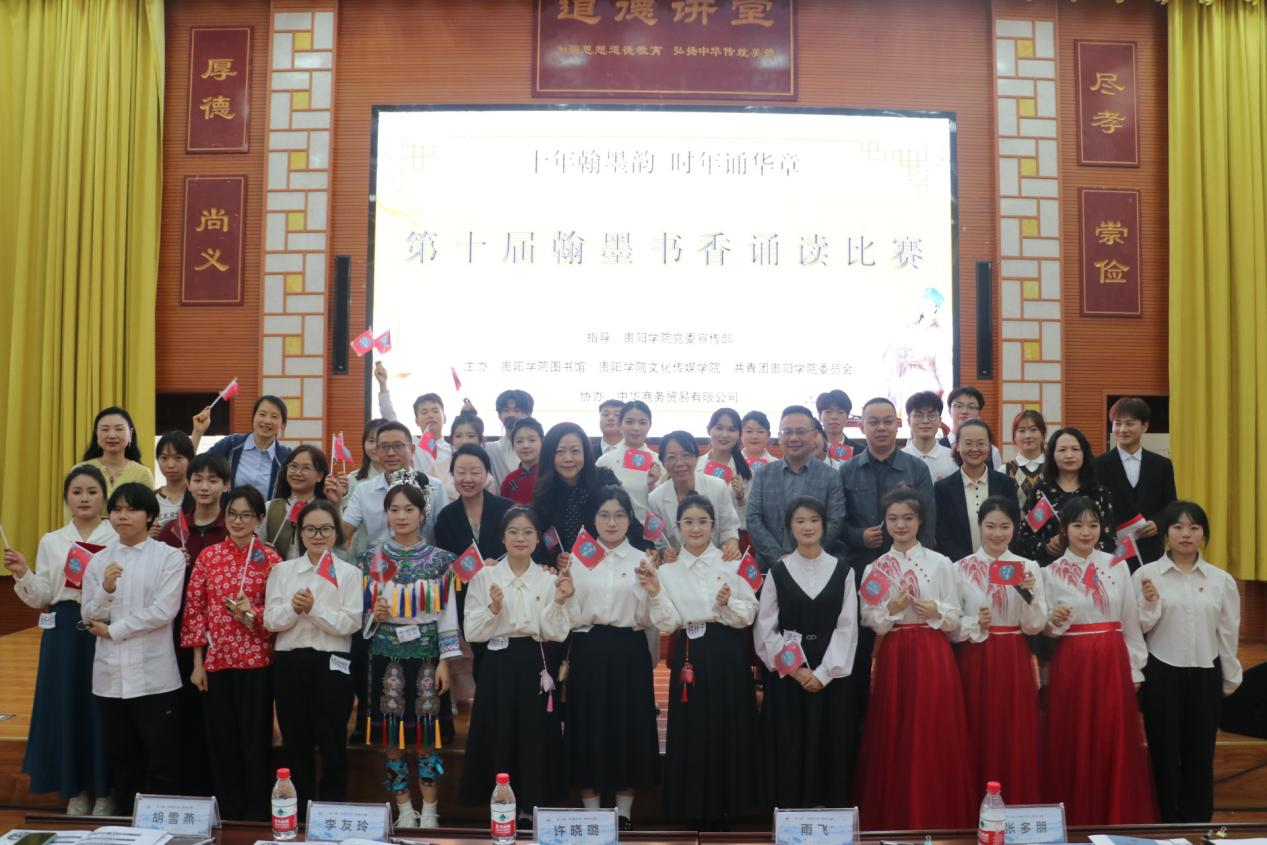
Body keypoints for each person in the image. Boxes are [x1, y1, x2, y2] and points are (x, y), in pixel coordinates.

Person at [857, 486, 974, 829]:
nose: (900, 525)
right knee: (895, 730)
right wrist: (892, 611)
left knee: (933, 730)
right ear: (885, 522)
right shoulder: (876, 568)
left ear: (920, 521)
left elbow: (956, 615)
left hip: (934, 653)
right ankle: (896, 818)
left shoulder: (941, 564)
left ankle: (938, 816)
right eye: (893, 518)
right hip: (895, 654)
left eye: (907, 518)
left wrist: (937, 610)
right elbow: (869, 618)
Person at [561, 485, 677, 830]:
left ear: (630, 519)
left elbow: (653, 618)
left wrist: (651, 589)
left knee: (630, 727)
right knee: (588, 726)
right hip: (588, 649)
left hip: (630, 650)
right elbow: (570, 611)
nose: (611, 523)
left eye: (619, 515)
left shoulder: (643, 560)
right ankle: (592, 812)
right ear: (593, 519)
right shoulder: (578, 558)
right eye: (604, 515)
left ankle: (624, 813)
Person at [5, 466, 117, 815]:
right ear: (67, 498)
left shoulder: (117, 536)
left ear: (104, 497)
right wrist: (23, 572)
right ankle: (77, 790)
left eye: (92, 492)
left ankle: (106, 791)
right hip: (64, 631)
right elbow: (42, 596)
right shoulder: (52, 540)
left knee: (101, 710)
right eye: (76, 492)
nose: (84, 498)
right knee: (67, 707)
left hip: (104, 628)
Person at [1041, 496, 1155, 824]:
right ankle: (1075, 819)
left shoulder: (1116, 562)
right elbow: (1045, 628)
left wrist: (1135, 668)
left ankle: (1114, 816)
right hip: (1071, 663)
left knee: (1112, 739)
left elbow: (1130, 619)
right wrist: (1054, 620)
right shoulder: (1050, 572)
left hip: (1112, 661)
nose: (1086, 532)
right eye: (1077, 525)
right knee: (1073, 738)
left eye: (1093, 525)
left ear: (1102, 528)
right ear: (1064, 529)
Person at [458, 507, 574, 821]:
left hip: (535, 662)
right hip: (497, 664)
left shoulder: (549, 579)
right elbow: (472, 632)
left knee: (534, 734)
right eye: (513, 531)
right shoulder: (484, 576)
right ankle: (501, 807)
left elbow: (556, 632)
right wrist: (494, 609)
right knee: (499, 732)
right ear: (502, 537)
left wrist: (559, 601)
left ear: (537, 539)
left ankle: (530, 807)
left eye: (527, 532)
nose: (520, 538)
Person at [358, 477, 461, 829]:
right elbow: (359, 616)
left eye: (409, 509)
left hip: (428, 656)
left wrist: (446, 661)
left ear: (422, 514)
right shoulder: (370, 559)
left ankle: (430, 810)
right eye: (394, 509)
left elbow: (448, 615)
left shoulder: (441, 561)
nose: (401, 516)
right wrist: (374, 615)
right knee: (392, 739)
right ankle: (403, 810)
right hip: (385, 655)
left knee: (426, 739)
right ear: (386, 514)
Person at [1134, 501, 1241, 823]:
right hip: (1161, 673)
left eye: (1194, 528)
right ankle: (1165, 820)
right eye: (1178, 527)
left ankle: (1197, 822)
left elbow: (1228, 632)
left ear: (1203, 534)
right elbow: (1137, 628)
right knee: (1164, 752)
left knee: (1200, 752)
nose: (1186, 534)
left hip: (1205, 674)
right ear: (1166, 533)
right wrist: (1150, 603)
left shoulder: (1221, 580)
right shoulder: (1146, 575)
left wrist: (1230, 677)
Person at [80, 483, 184, 809]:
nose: (122, 516)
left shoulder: (168, 557)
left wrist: (113, 631)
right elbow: (88, 615)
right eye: (116, 509)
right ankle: (126, 823)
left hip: (155, 677)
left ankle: (162, 823)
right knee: (122, 760)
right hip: (110, 679)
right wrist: (106, 589)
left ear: (150, 515)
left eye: (132, 509)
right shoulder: (99, 561)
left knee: (163, 760)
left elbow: (163, 612)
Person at [658, 495, 760, 826]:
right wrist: (654, 592)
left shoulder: (734, 564)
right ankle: (691, 807)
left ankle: (733, 805)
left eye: (703, 521)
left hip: (728, 649)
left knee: (731, 724)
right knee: (692, 729)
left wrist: (727, 605)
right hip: (689, 651)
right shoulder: (667, 571)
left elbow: (749, 612)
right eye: (688, 522)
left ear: (714, 526)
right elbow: (667, 621)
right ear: (677, 527)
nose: (696, 528)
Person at [180, 486, 280, 821]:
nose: (238, 521)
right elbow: (195, 611)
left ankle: (256, 813)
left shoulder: (271, 560)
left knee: (255, 740)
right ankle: (228, 811)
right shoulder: (209, 557)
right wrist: (197, 664)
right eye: (233, 514)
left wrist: (252, 614)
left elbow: (278, 615)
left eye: (246, 515)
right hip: (217, 662)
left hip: (258, 663)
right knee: (222, 740)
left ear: (259, 519)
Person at [754, 496, 858, 809]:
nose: (807, 526)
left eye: (814, 519)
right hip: (788, 674)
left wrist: (824, 673)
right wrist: (796, 671)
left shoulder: (843, 570)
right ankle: (789, 812)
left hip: (832, 673)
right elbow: (766, 628)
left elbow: (847, 627)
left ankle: (828, 812)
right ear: (789, 527)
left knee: (830, 740)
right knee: (789, 742)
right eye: (800, 521)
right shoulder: (778, 571)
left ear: (824, 524)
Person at [840, 397, 935, 721]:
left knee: (913, 653)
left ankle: (911, 720)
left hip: (911, 575)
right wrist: (859, 537)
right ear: (861, 426)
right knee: (860, 650)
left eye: (887, 421)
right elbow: (837, 524)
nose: (881, 428)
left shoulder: (916, 468)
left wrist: (918, 566)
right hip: (863, 573)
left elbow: (928, 523)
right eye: (873, 422)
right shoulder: (847, 470)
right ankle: (862, 723)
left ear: (898, 425)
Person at [265, 500, 362, 809]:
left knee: (333, 744)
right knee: (296, 744)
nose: (318, 535)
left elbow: (350, 623)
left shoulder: (349, 573)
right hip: (290, 665)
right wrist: (294, 609)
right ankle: (300, 814)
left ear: (336, 532)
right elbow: (270, 621)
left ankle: (331, 812)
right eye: (310, 529)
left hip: (332, 667)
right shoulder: (282, 571)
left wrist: (313, 609)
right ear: (300, 532)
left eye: (325, 529)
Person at [951, 496, 1046, 805]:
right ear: (979, 526)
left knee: (1014, 731)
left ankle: (1015, 804)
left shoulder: (1028, 567)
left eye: (1005, 526)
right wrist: (974, 623)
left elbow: (1035, 626)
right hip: (975, 656)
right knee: (976, 727)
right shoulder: (960, 568)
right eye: (990, 526)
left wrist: (1030, 595)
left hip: (1014, 656)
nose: (997, 534)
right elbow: (951, 626)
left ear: (1014, 528)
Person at [154, 452, 231, 798]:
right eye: (198, 479)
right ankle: (188, 792)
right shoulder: (172, 531)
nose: (204, 486)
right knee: (183, 712)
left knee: (218, 717)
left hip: (224, 639)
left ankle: (219, 790)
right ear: (188, 483)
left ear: (225, 486)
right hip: (177, 634)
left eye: (213, 480)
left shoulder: (232, 527)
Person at [746, 405, 845, 572]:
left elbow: (835, 522)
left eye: (801, 432)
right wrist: (777, 557)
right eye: (787, 432)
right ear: (779, 437)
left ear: (814, 435)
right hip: (771, 567)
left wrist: (807, 556)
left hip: (817, 567)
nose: (793, 438)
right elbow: (753, 519)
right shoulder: (763, 474)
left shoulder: (831, 476)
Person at [532, 423, 648, 564]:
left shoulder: (604, 480)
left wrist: (647, 549)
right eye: (560, 452)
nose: (568, 458)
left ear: (585, 453)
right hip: (567, 570)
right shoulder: (544, 491)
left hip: (611, 563)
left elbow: (628, 521)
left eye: (575, 451)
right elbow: (544, 539)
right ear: (549, 455)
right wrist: (555, 559)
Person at [1094, 397, 1178, 569]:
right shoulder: (1098, 465)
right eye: (1117, 424)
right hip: (1112, 550)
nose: (1122, 429)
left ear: (1144, 426)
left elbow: (1171, 505)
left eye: (1129, 423)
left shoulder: (1161, 465)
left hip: (1150, 549)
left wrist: (1158, 523)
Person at [1015, 427, 1116, 565]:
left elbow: (1110, 541)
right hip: (1051, 568)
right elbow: (1026, 536)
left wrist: (1085, 546)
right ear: (1052, 455)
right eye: (1062, 450)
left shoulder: (1099, 493)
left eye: (1075, 449)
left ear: (1084, 453)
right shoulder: (1042, 492)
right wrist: (1047, 546)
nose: (1069, 455)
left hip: (1091, 569)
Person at [342, 423, 447, 549]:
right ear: (377, 451)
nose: (391, 453)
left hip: (425, 560)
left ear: (412, 449)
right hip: (379, 560)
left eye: (398, 446)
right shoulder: (363, 491)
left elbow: (445, 533)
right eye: (384, 447)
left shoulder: (434, 487)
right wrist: (336, 502)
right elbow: (344, 533)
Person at [934, 419, 1019, 563]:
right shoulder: (943, 488)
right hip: (959, 567)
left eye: (981, 443)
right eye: (968, 443)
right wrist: (967, 564)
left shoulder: (1006, 484)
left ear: (989, 446)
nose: (975, 449)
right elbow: (942, 534)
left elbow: (1014, 526)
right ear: (957, 446)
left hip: (1000, 565)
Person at [648, 431, 741, 559]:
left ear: (696, 458)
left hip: (717, 560)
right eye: (671, 457)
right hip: (679, 564)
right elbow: (660, 542)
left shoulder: (718, 487)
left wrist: (731, 545)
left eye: (686, 455)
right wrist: (665, 553)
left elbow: (729, 527)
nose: (679, 463)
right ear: (663, 462)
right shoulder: (655, 498)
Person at [191, 394, 292, 499]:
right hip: (227, 510)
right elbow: (196, 468)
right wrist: (197, 432)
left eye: (274, 416)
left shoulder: (287, 458)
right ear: (253, 417)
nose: (267, 421)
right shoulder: (231, 444)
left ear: (283, 424)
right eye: (262, 414)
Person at [264, 445, 340, 560]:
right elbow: (255, 550)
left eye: (306, 468)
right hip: (277, 570)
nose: (297, 473)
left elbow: (341, 550)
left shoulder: (328, 509)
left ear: (320, 476)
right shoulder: (269, 507)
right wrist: (266, 552)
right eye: (293, 466)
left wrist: (337, 505)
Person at [595, 401, 665, 523]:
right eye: (629, 422)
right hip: (613, 528)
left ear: (650, 425)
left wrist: (652, 486)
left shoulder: (659, 462)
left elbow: (664, 506)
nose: (636, 428)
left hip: (648, 531)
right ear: (619, 424)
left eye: (642, 422)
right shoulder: (604, 461)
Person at [699, 408, 754, 542]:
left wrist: (740, 498)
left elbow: (746, 521)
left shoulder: (746, 473)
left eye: (731, 430)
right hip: (696, 537)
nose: (724, 434)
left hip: (731, 542)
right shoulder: (695, 466)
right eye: (719, 428)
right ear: (709, 430)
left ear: (739, 434)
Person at [78, 406, 153, 495]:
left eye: (119, 429)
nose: (112, 435)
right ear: (96, 434)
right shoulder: (80, 471)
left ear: (130, 433)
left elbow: (148, 504)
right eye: (105, 429)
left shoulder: (142, 474)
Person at [939, 386, 1003, 469]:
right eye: (959, 406)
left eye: (971, 407)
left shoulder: (992, 452)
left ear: (979, 413)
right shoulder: (938, 447)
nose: (964, 411)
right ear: (949, 411)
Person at [901, 391, 957, 482]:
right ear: (908, 421)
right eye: (918, 415)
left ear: (940, 421)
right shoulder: (897, 459)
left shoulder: (953, 458)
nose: (925, 421)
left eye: (931, 415)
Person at [487, 389, 534, 485]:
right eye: (506, 410)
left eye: (517, 410)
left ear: (529, 414)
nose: (511, 414)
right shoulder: (491, 449)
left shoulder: (540, 448)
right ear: (499, 415)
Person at [1004, 409, 1047, 508]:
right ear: (1014, 437)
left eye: (1033, 429)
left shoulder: (1054, 469)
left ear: (1043, 434)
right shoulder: (1005, 471)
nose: (1028, 436)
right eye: (1022, 430)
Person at [154, 431, 194, 530]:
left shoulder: (199, 496)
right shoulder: (150, 498)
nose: (170, 465)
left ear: (190, 460)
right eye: (164, 458)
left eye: (178, 458)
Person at [499, 417, 542, 506]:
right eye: (519, 441)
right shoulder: (510, 479)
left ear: (542, 442)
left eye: (532, 440)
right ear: (513, 445)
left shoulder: (551, 476)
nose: (525, 445)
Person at [346, 417, 389, 502]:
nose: (376, 446)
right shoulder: (353, 479)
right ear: (364, 444)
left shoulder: (403, 477)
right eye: (371, 441)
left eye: (382, 441)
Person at [816, 389, 864, 460]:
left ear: (847, 417)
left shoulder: (861, 452)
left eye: (840, 412)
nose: (834, 417)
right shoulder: (810, 449)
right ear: (820, 415)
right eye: (828, 412)